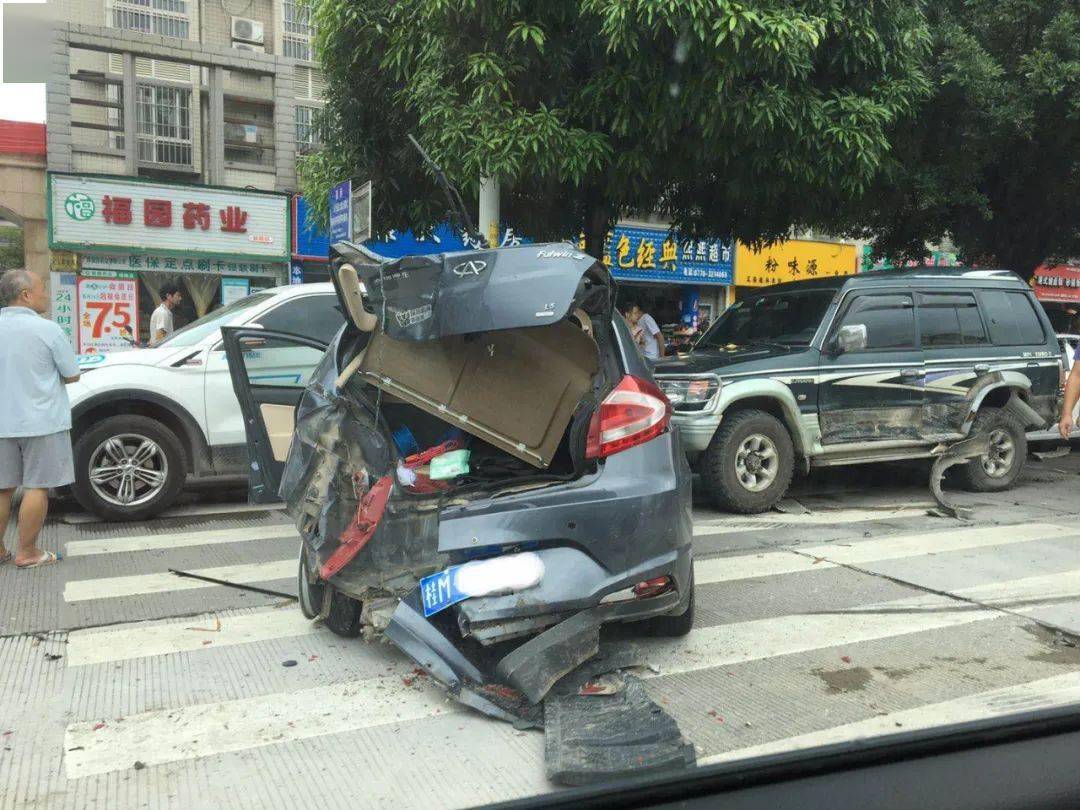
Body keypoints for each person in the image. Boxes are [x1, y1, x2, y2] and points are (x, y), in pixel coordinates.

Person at [0, 268, 81, 568]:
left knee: (3, 487)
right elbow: (72, 374)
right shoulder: (48, 330)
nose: (46, 294)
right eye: (42, 288)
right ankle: (28, 552)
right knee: (37, 486)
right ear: (25, 295)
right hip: (41, 421)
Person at [149, 281, 183, 345]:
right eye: (178, 295)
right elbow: (159, 337)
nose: (180, 298)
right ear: (168, 296)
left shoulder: (164, 312)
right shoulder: (163, 313)